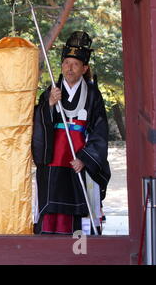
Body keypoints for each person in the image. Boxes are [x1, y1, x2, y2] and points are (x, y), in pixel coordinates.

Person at [32, 31, 111, 235]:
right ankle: (51, 247)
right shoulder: (51, 91)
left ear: (84, 68)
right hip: (54, 157)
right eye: (66, 62)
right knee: (52, 206)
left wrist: (86, 158)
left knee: (80, 208)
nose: (70, 67)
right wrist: (48, 105)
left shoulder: (93, 94)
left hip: (78, 157)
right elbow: (37, 122)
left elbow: (100, 130)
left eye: (75, 64)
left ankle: (81, 249)